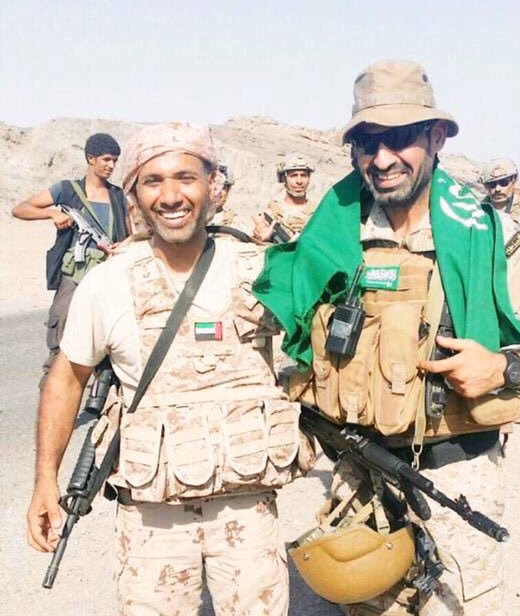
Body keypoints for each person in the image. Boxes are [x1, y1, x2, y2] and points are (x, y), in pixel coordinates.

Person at [253, 60, 520, 615]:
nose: (382, 159)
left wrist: (505, 368)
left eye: (400, 138)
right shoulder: (330, 236)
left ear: (436, 136)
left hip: (455, 485)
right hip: (359, 488)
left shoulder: (487, 236)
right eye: (367, 143)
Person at [26, 123, 315, 615]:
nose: (171, 195)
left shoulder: (263, 271)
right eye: (153, 181)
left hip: (247, 511)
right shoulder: (108, 282)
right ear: (134, 195)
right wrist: (45, 480)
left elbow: (328, 345)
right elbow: (66, 379)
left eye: (186, 177)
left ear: (212, 184)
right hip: (151, 523)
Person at [12, 133, 130, 385]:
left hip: (108, 278)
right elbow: (20, 209)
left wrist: (122, 246)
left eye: (115, 160)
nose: (111, 165)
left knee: (111, 345)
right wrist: (52, 214)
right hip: (74, 276)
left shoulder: (118, 196)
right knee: (61, 342)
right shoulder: (67, 190)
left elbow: (131, 234)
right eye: (106, 159)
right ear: (91, 158)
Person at [253, 153, 316, 242]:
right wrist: (263, 237)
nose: (299, 181)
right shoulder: (271, 213)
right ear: (283, 179)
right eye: (293, 176)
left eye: (303, 175)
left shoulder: (318, 213)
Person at [480, 157, 520, 234]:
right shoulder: (478, 212)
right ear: (486, 186)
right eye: (492, 184)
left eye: (503, 182)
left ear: (513, 180)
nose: (497, 189)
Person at [210, 161, 237, 226]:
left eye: (224, 187)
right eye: (214, 185)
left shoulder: (234, 223)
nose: (218, 191)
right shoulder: (190, 217)